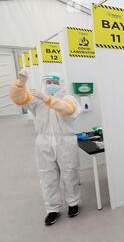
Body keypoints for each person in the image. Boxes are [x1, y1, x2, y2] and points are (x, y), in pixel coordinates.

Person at [10, 70, 82, 226]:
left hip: (65, 140)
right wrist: (20, 84)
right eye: (48, 83)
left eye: (54, 83)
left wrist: (47, 98)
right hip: (44, 141)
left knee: (70, 173)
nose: (51, 85)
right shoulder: (37, 100)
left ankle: (73, 203)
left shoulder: (69, 99)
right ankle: (52, 209)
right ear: (44, 84)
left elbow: (67, 110)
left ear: (61, 84)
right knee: (47, 176)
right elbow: (19, 99)